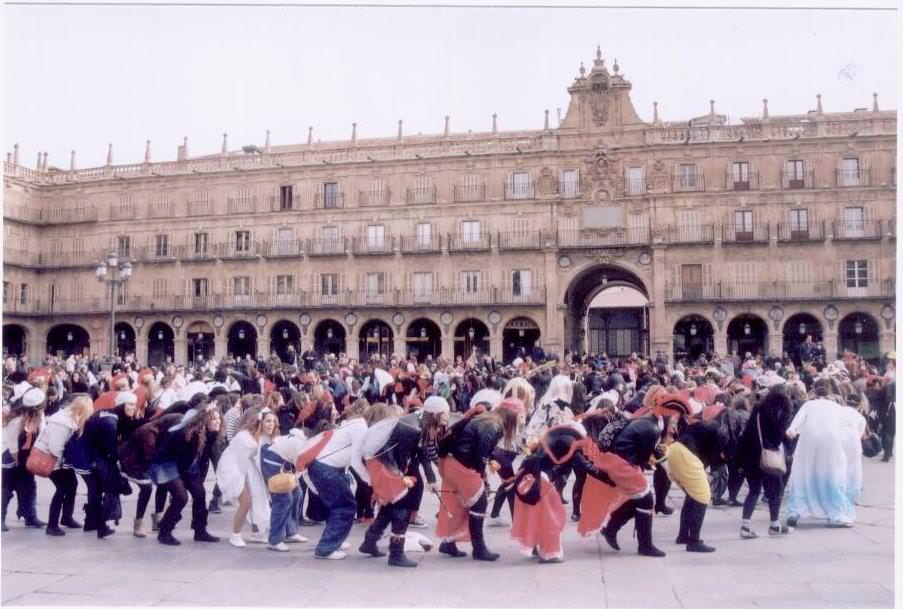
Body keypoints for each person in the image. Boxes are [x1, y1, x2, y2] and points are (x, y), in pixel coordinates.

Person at [435, 398, 523, 561]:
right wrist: (483, 477)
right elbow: (481, 455)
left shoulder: (488, 419)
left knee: (459, 505)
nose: (520, 419)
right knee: (479, 502)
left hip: (452, 461)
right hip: (461, 465)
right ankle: (478, 548)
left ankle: (449, 542)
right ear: (512, 414)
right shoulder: (494, 425)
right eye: (519, 415)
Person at [784, 378, 856, 528]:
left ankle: (795, 511)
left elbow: (796, 422)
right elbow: (845, 428)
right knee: (833, 473)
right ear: (830, 392)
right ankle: (836, 515)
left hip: (808, 441)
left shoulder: (808, 405)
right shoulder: (837, 407)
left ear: (815, 391)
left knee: (803, 472)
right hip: (831, 441)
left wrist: (792, 431)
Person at [151, 401, 223, 545]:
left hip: (187, 465)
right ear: (204, 419)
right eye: (213, 418)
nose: (218, 421)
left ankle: (200, 530)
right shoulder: (189, 434)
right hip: (167, 464)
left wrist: (198, 480)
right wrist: (181, 484)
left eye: (219, 418)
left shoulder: (210, 433)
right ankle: (164, 531)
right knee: (181, 497)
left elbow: (203, 456)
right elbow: (180, 459)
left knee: (200, 494)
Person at [358, 404, 422, 567]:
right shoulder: (399, 429)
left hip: (378, 466)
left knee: (391, 506)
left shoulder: (378, 431)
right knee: (401, 506)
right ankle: (396, 553)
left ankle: (369, 542)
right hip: (383, 468)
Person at [736, 387, 794, 538]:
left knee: (754, 491)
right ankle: (775, 525)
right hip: (770, 458)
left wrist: (740, 460)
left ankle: (745, 526)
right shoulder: (781, 415)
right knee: (776, 491)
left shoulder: (758, 411)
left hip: (752, 457)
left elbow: (747, 433)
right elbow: (778, 438)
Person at [216, 406, 276, 547]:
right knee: (246, 501)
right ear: (259, 422)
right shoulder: (243, 436)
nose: (271, 424)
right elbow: (242, 461)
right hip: (233, 467)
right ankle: (235, 535)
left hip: (248, 466)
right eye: (268, 421)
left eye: (273, 421)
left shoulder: (265, 437)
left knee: (259, 496)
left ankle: (257, 532)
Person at [37, 394, 94, 535]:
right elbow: (55, 447)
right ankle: (52, 525)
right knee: (62, 489)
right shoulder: (62, 422)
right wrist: (63, 463)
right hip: (52, 459)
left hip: (57, 459)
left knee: (72, 485)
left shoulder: (67, 417)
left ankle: (67, 517)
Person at [666, 421, 723, 552]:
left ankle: (683, 535)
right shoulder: (723, 438)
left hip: (674, 450)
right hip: (686, 454)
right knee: (703, 496)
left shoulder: (709, 427)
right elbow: (715, 459)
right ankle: (694, 542)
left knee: (692, 495)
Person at [2, 386, 47, 530]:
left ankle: (30, 517)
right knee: (7, 488)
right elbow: (12, 446)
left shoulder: (40, 417)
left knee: (29, 486)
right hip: (12, 457)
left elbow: (41, 436)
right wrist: (19, 463)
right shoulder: (16, 421)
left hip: (27, 457)